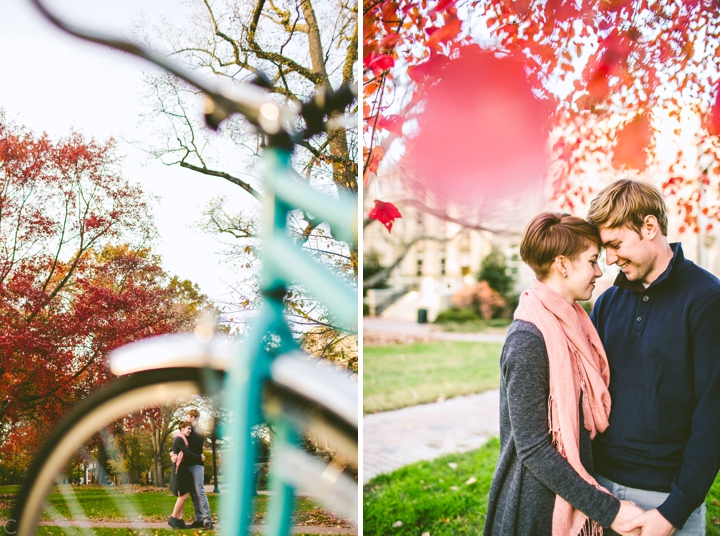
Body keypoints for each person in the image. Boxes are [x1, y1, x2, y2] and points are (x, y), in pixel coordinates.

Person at [484, 212, 644, 536]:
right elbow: (533, 448)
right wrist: (608, 510)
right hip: (535, 508)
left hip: (567, 490)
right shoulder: (528, 340)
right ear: (563, 264)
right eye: (592, 260)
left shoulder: (574, 327)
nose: (599, 271)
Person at [587, 179, 720, 536]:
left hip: (666, 500)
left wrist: (673, 512)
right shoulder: (607, 303)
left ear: (649, 226)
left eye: (615, 244)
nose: (610, 259)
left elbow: (714, 414)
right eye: (604, 249)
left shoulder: (707, 300)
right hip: (601, 493)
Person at [169, 421, 202, 529]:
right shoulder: (179, 439)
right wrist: (199, 458)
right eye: (188, 428)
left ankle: (180, 521)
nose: (190, 431)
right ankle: (173, 518)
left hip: (182, 468)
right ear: (182, 429)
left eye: (191, 429)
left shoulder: (182, 439)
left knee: (183, 495)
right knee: (184, 495)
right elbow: (186, 452)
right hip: (179, 469)